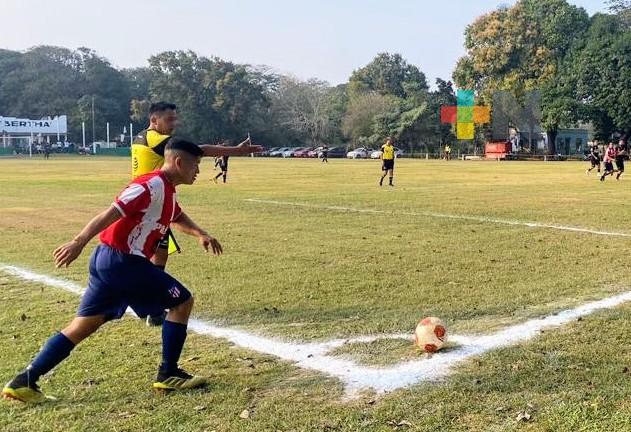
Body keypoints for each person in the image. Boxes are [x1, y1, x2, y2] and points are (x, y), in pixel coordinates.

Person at [1, 139, 222, 404]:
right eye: (196, 165)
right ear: (179, 162)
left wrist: (201, 233)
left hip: (108, 261)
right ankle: (168, 373)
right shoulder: (149, 185)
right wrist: (78, 241)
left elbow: (176, 215)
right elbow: (112, 212)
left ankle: (25, 381)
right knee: (182, 301)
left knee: (83, 325)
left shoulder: (167, 190)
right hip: (124, 262)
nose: (198, 171)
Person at [132, 102, 261, 326]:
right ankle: (148, 305)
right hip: (149, 204)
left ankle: (150, 307)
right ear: (154, 120)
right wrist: (237, 151)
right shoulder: (153, 139)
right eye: (169, 119)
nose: (175, 123)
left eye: (175, 118)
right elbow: (197, 149)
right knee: (142, 258)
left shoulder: (141, 137)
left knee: (159, 253)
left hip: (153, 201)